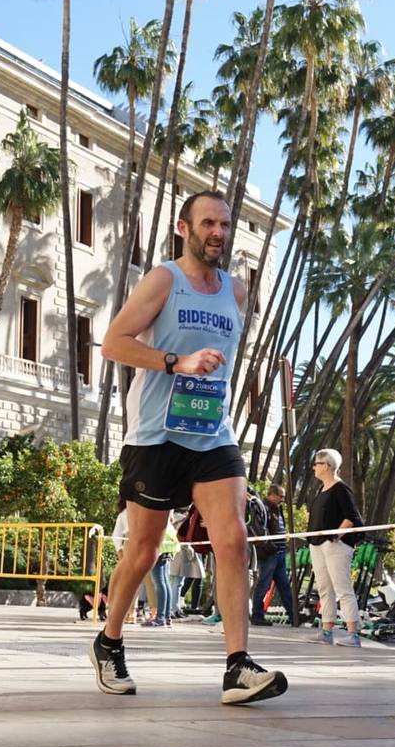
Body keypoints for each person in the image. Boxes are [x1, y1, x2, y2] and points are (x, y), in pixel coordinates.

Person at [95, 190, 287, 704]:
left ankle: (237, 666)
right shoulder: (164, 280)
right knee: (143, 549)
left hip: (212, 433)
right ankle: (109, 640)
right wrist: (175, 362)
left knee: (233, 538)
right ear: (185, 228)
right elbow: (114, 343)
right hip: (157, 434)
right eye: (208, 223)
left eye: (224, 224)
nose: (218, 233)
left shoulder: (237, 292)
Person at [306, 449, 365, 647]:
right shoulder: (321, 490)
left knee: (342, 588)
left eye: (317, 463)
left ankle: (353, 634)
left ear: (327, 465)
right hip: (317, 544)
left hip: (335, 546)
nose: (314, 467)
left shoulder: (341, 489)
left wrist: (336, 536)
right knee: (324, 588)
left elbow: (351, 517)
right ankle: (326, 631)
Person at [250, 485, 294, 627]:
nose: (282, 499)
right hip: (270, 554)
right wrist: (269, 547)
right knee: (263, 585)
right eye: (280, 496)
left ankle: (294, 615)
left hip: (279, 553)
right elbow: (260, 529)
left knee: (284, 586)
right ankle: (257, 615)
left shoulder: (277, 509)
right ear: (272, 495)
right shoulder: (264, 508)